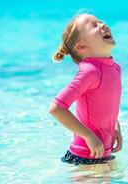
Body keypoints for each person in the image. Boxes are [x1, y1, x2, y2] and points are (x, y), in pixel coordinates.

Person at [49, 13, 123, 165]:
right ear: (81, 47)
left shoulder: (115, 68)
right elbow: (56, 108)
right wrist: (88, 136)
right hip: (84, 157)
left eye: (100, 21)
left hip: (103, 153)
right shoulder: (90, 71)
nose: (102, 25)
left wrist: (116, 126)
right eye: (94, 26)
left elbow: (108, 105)